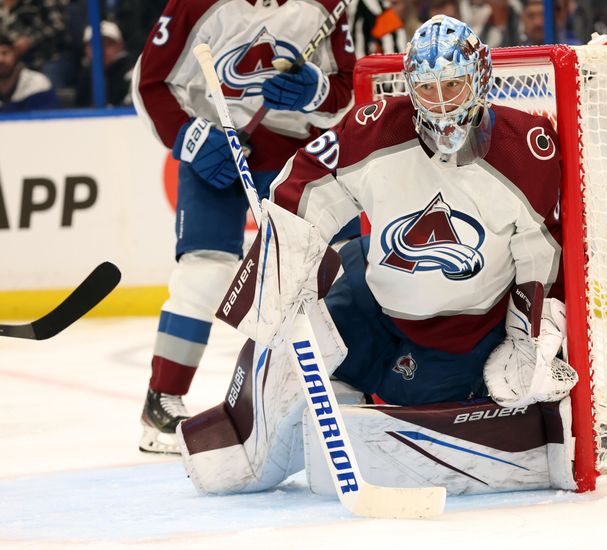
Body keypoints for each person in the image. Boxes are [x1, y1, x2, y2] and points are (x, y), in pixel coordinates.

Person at [176, 15, 577, 495]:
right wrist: (284, 273)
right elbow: (303, 187)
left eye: (454, 84)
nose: (443, 103)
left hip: (460, 331)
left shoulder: (525, 149)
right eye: (428, 89)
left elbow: (542, 256)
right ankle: (233, 450)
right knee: (281, 346)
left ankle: (348, 403)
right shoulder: (377, 128)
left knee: (413, 401)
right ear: (411, 87)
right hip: (373, 295)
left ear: (481, 79)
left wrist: (526, 338)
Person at [131, 0, 356, 454]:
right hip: (214, 148)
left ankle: (349, 388)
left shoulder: (326, 6)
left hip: (297, 153)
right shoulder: (193, 5)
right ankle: (162, 401)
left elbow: (348, 92)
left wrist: (314, 92)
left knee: (337, 268)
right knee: (206, 272)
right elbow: (150, 83)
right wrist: (189, 137)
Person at [75, 21, 134, 107]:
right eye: (94, 45)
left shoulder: (132, 72)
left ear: (120, 46)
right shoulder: (86, 75)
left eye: (107, 44)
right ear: (85, 49)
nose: (101, 50)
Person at [0, 32, 60, 112]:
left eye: (5, 53)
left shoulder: (37, 84)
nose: (1, 60)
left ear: (15, 54)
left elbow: (49, 121)